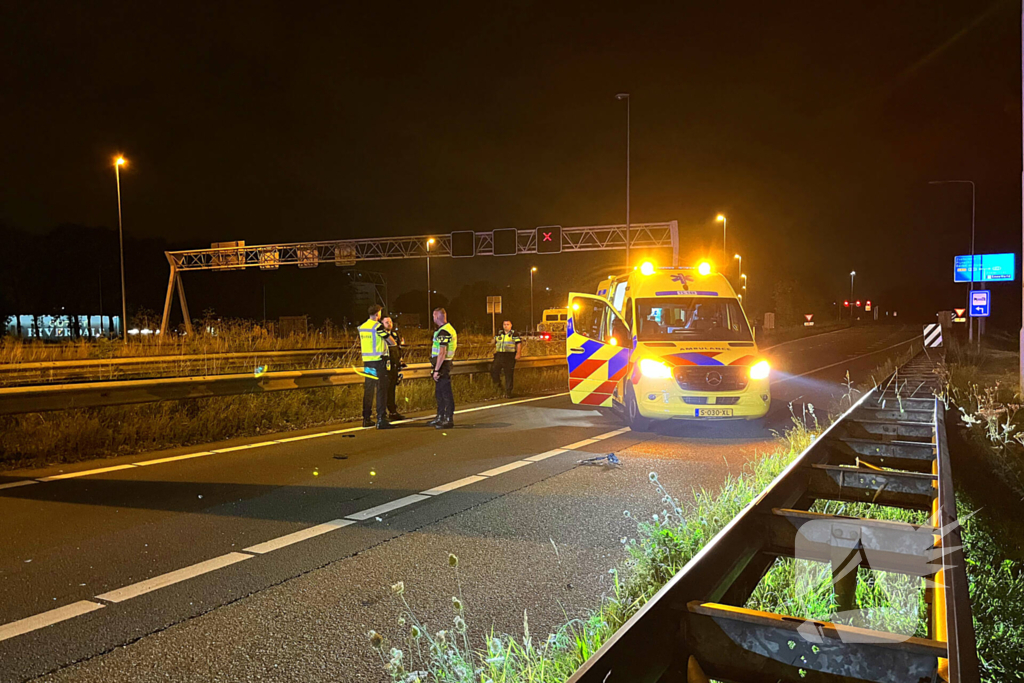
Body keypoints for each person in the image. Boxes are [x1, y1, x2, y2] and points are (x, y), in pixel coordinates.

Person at [358, 304, 393, 429]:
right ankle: (381, 419)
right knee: (381, 390)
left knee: (368, 390)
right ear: (378, 314)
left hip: (367, 362)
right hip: (378, 362)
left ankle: (366, 418)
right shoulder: (378, 327)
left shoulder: (362, 327)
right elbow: (391, 341)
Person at [428, 307, 457, 429]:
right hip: (442, 364)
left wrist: (436, 370)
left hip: (443, 365)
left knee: (445, 393)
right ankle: (440, 417)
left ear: (436, 316)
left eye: (434, 316)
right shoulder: (445, 329)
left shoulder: (444, 331)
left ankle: (448, 419)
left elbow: (442, 353)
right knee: (439, 392)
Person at [490, 319, 522, 398]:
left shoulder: (514, 333)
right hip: (499, 355)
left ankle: (508, 392)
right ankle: (499, 388)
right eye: (504, 324)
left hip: (509, 356)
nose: (506, 326)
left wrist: (518, 353)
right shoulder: (500, 333)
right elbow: (493, 341)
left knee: (508, 374)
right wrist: (492, 341)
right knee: (494, 370)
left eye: (507, 324)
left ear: (511, 325)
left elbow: (518, 344)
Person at [381, 315, 405, 420]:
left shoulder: (394, 335)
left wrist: (400, 360)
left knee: (392, 389)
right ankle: (383, 413)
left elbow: (398, 349)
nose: (389, 324)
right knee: (385, 390)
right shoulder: (381, 336)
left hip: (394, 366)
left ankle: (393, 412)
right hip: (385, 366)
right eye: (386, 322)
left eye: (390, 322)